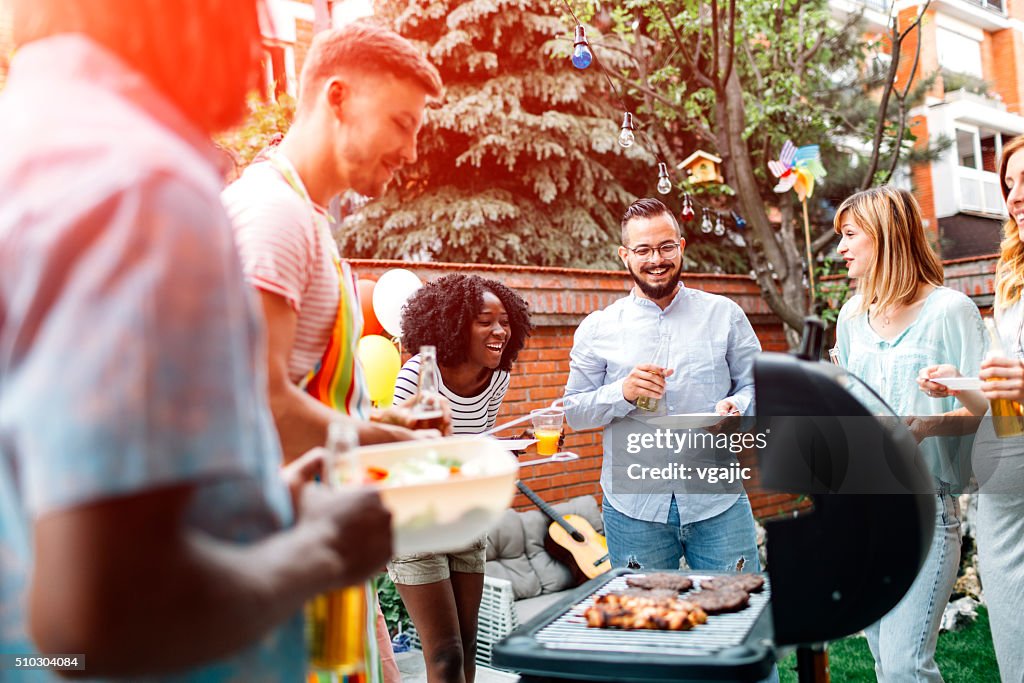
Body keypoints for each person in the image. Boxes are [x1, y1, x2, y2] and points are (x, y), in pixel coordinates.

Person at [0, 1, 391, 680]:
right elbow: (100, 616)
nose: (257, 45)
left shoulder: (32, 144)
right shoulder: (143, 186)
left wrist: (255, 501)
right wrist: (325, 550)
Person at [221, 21, 444, 683]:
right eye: (401, 122)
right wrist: (389, 443)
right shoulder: (273, 217)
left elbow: (306, 392)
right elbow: (257, 401)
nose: (410, 149)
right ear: (337, 97)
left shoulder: (306, 217)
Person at [833, 185, 985, 682]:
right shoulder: (852, 317)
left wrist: (929, 421)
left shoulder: (950, 310)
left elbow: (994, 411)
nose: (841, 248)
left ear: (885, 236)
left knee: (904, 666)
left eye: (850, 235)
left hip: (923, 508)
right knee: (884, 663)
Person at [563, 197, 762, 574]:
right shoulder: (598, 328)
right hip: (633, 509)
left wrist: (738, 407)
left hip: (717, 501)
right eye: (643, 249)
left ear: (681, 246)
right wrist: (621, 393)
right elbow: (574, 412)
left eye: (666, 246)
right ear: (625, 255)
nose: (657, 259)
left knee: (737, 618)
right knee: (647, 627)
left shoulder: (724, 315)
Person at [388, 274, 533, 683]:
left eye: (505, 321)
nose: (500, 331)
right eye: (485, 321)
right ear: (453, 325)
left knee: (468, 648)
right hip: (416, 522)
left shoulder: (497, 378)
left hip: (465, 518)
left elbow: (478, 443)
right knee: (445, 654)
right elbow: (400, 455)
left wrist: (505, 453)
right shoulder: (419, 374)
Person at [918, 135, 1024, 682]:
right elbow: (1005, 401)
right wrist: (958, 384)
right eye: (1009, 186)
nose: (1014, 198)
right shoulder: (1011, 287)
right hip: (1007, 491)